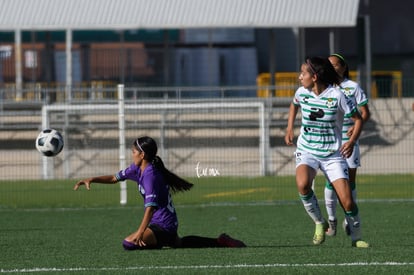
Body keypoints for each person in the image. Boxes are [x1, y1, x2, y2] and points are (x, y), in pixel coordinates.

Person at [73, 136, 246, 250]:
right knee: (178, 243)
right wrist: (92, 179)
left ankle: (157, 240)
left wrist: (141, 232)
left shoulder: (151, 175)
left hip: (164, 224)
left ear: (142, 155)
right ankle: (219, 241)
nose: (131, 154)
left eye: (133, 151)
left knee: (129, 244)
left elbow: (150, 208)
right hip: (165, 223)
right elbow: (113, 177)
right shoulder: (136, 168)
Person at [284, 56, 369, 248]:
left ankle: (357, 238)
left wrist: (352, 140)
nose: (299, 77)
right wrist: (289, 127)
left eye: (303, 73)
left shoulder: (337, 95)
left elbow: (358, 118)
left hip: (333, 154)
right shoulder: (301, 92)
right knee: (303, 185)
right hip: (307, 150)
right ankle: (319, 222)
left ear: (314, 77)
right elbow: (294, 104)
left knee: (347, 202)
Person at [324, 53, 371, 237]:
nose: (333, 68)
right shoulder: (324, 88)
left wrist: (355, 126)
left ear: (343, 67)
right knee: (331, 182)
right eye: (329, 65)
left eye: (336, 65)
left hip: (349, 142)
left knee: (350, 182)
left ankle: (349, 220)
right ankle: (331, 221)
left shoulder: (353, 87)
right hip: (331, 142)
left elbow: (365, 112)